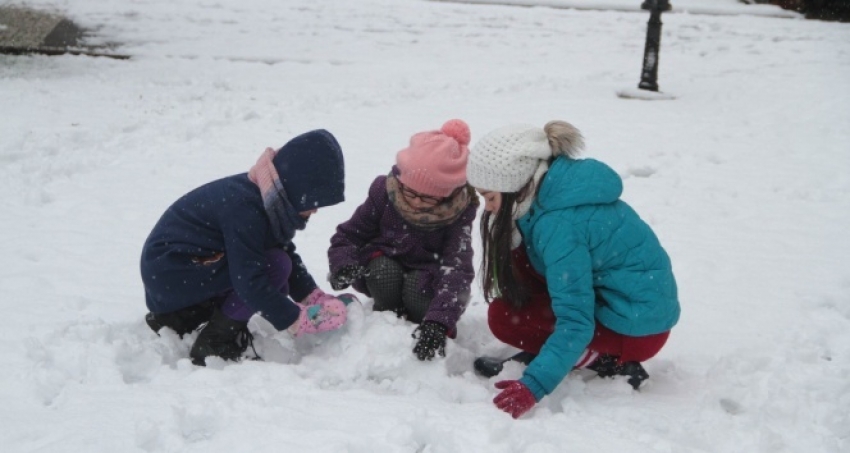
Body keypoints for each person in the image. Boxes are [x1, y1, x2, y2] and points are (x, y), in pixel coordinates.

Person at [467, 120, 680, 419]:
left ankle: (606, 360)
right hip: (617, 308)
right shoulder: (547, 197)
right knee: (515, 290)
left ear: (515, 184)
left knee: (506, 319)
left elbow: (576, 320)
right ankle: (561, 352)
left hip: (636, 329)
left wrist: (534, 384)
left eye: (490, 197)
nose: (487, 208)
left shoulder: (560, 225)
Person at [141, 129, 351, 366]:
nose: (314, 211)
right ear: (295, 191)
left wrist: (312, 297)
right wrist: (297, 319)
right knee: (273, 268)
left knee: (275, 268)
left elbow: (282, 248)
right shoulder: (245, 210)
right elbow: (250, 281)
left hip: (184, 272)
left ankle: (189, 316)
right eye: (314, 202)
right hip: (173, 272)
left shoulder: (266, 196)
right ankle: (214, 342)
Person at [327, 119, 478, 361]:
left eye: (428, 198)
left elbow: (457, 270)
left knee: (418, 288)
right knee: (383, 270)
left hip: (426, 277)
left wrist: (439, 323)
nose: (416, 202)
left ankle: (419, 325)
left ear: (447, 194)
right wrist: (342, 265)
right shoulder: (384, 193)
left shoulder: (458, 213)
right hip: (383, 268)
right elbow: (348, 235)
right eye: (411, 192)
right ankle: (385, 317)